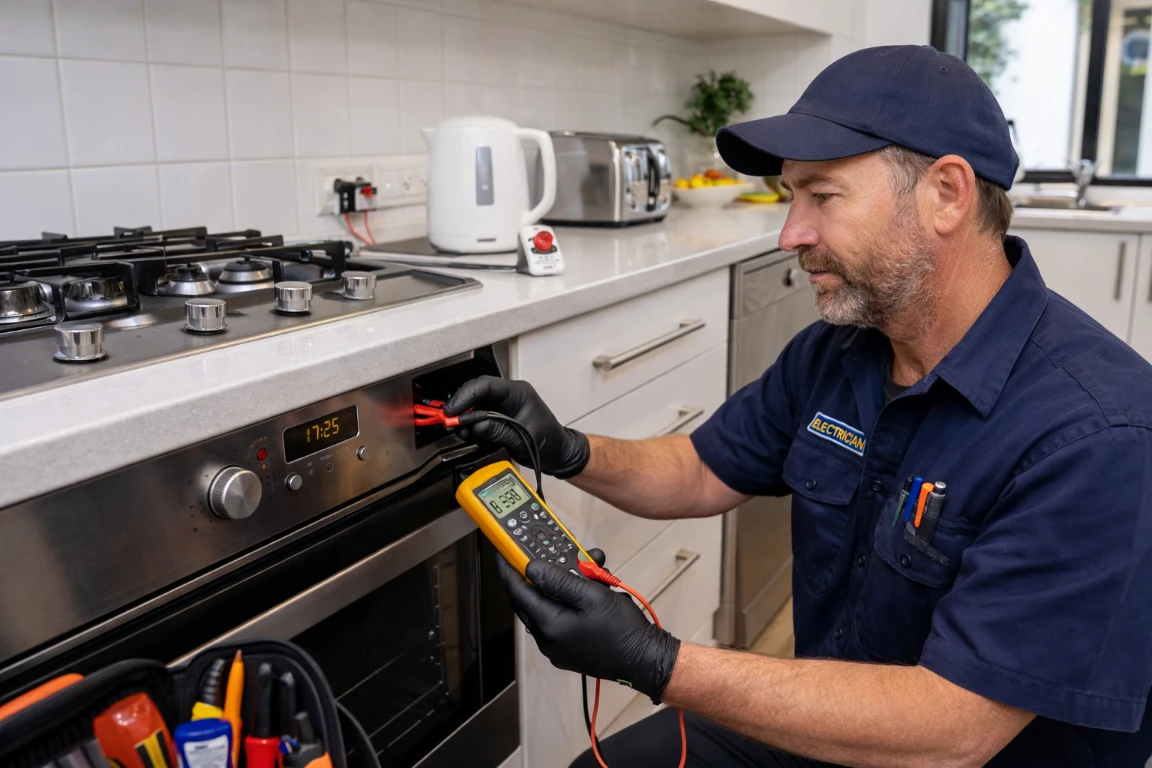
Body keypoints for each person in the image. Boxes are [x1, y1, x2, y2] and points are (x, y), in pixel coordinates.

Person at [444, 45, 1152, 767]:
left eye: (824, 196)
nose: (791, 235)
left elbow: (956, 725)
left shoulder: (1100, 432)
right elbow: (698, 469)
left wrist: (660, 663)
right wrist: (567, 449)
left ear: (946, 193)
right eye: (791, 197)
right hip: (835, 727)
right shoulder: (840, 352)